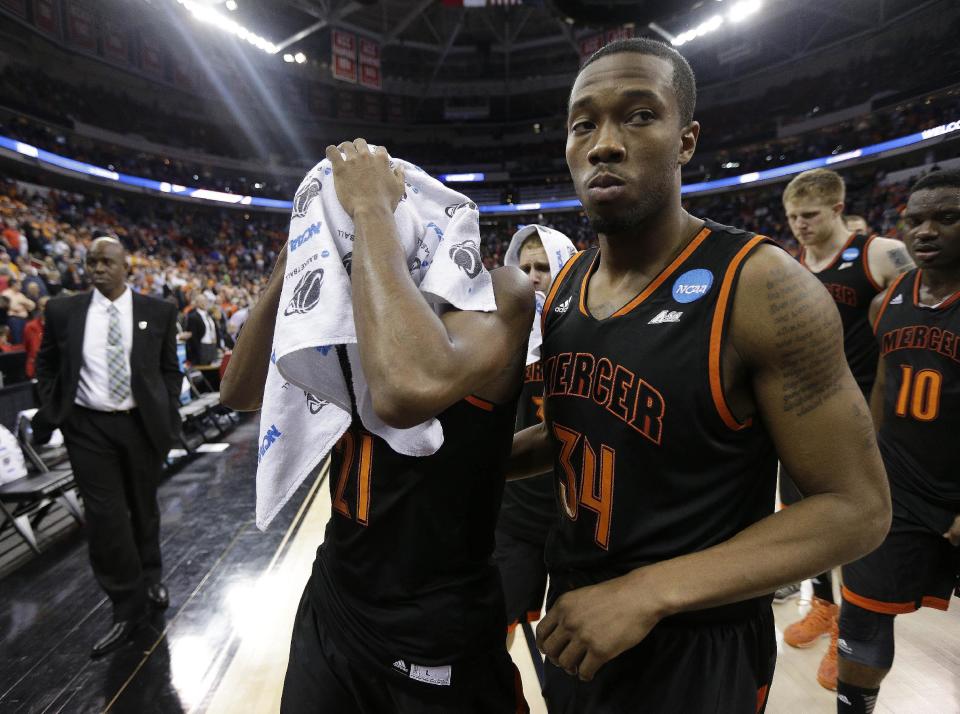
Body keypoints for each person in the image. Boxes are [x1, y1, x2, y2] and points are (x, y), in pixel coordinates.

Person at [506, 38, 891, 713]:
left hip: (694, 642)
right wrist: (483, 461)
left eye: (637, 115)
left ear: (686, 141)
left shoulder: (763, 286)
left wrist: (646, 591)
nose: (603, 143)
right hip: (576, 617)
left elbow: (857, 509)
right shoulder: (566, 283)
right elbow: (582, 427)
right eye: (583, 123)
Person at [221, 141, 534, 713]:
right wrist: (301, 248)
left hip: (433, 628)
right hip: (336, 600)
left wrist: (369, 210)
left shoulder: (499, 294)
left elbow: (403, 391)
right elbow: (238, 392)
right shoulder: (343, 308)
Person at [779, 168, 915, 690]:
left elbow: (923, 305)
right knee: (806, 522)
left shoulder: (879, 252)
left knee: (850, 526)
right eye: (793, 218)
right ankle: (824, 611)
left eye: (809, 216)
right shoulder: (792, 264)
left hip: (860, 415)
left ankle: (848, 632)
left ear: (837, 209)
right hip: (801, 415)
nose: (800, 226)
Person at [836, 170, 960, 714]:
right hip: (899, 487)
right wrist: (864, 470)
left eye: (946, 218)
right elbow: (882, 389)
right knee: (860, 618)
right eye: (914, 220)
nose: (925, 231)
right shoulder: (886, 302)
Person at [33, 235, 183, 658]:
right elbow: (45, 363)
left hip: (140, 426)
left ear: (125, 268)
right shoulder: (62, 310)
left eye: (106, 262)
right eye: (91, 262)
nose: (97, 268)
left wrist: (167, 412)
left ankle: (151, 576)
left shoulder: (159, 310)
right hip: (86, 426)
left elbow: (170, 370)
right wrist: (53, 406)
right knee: (105, 517)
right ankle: (126, 605)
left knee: (143, 507)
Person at [495, 227, 576, 647]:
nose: (532, 276)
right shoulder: (494, 336)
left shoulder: (593, 332)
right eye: (523, 267)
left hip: (577, 514)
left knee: (572, 639)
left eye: (543, 267)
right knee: (498, 629)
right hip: (514, 511)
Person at [23, 295, 48, 378]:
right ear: (39, 307)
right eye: (43, 306)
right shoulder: (30, 326)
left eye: (49, 305)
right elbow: (27, 347)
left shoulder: (58, 324)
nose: (46, 308)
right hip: (36, 368)